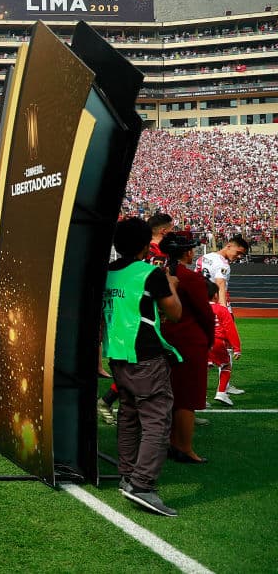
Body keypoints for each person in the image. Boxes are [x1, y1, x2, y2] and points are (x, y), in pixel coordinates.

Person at [102, 217, 182, 517]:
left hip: (118, 355)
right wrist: (171, 284)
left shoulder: (107, 273)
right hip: (146, 356)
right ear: (145, 244)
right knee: (157, 421)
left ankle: (128, 475)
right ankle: (142, 485)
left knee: (129, 417)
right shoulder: (150, 274)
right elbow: (174, 313)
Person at [160, 232, 215, 464]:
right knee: (188, 397)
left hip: (164, 339)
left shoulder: (161, 272)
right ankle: (184, 447)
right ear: (187, 252)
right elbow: (205, 314)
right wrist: (208, 341)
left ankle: (173, 442)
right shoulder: (190, 278)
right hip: (189, 341)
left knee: (172, 393)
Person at [196, 235, 249, 395]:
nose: (238, 257)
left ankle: (199, 390)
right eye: (238, 253)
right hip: (216, 306)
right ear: (228, 246)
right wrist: (224, 310)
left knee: (202, 348)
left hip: (200, 306)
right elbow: (220, 285)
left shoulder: (204, 257)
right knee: (226, 347)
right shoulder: (222, 264)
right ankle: (223, 387)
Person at [207, 280, 242, 406]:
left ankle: (200, 396)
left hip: (202, 343)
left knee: (204, 368)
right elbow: (230, 329)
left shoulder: (199, 308)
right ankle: (221, 393)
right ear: (216, 295)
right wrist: (237, 348)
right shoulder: (221, 310)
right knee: (226, 365)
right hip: (217, 342)